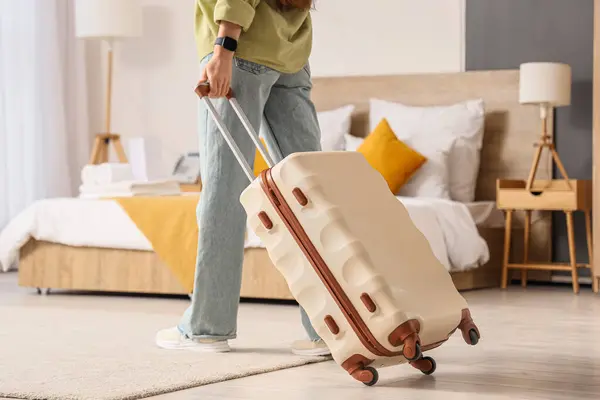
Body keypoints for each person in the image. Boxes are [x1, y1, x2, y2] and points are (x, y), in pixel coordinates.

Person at [155, 0, 330, 356]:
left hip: (241, 50)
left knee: (225, 189)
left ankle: (208, 326)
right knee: (306, 194)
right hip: (291, 56)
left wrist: (223, 47)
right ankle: (329, 326)